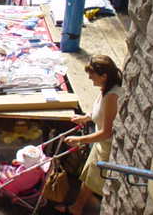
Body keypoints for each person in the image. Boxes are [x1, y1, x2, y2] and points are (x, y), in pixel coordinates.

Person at [56, 55, 123, 215]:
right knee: (88, 177)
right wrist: (85, 117)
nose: (90, 79)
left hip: (106, 145)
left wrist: (80, 140)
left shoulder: (113, 96)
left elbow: (107, 131)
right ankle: (77, 207)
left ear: (104, 76)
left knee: (93, 178)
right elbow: (99, 111)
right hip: (101, 143)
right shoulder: (105, 89)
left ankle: (78, 208)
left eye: (92, 75)